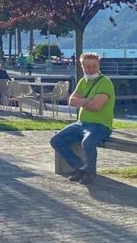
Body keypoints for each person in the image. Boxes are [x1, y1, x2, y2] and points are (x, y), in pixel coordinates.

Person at [50, 53, 116, 186]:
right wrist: (88, 100)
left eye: (94, 66)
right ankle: (81, 167)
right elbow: (71, 101)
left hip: (100, 125)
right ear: (82, 67)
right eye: (88, 67)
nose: (91, 70)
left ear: (99, 66)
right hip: (81, 124)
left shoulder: (105, 82)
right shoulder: (82, 81)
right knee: (56, 141)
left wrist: (81, 102)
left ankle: (90, 173)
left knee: (88, 143)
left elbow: (97, 106)